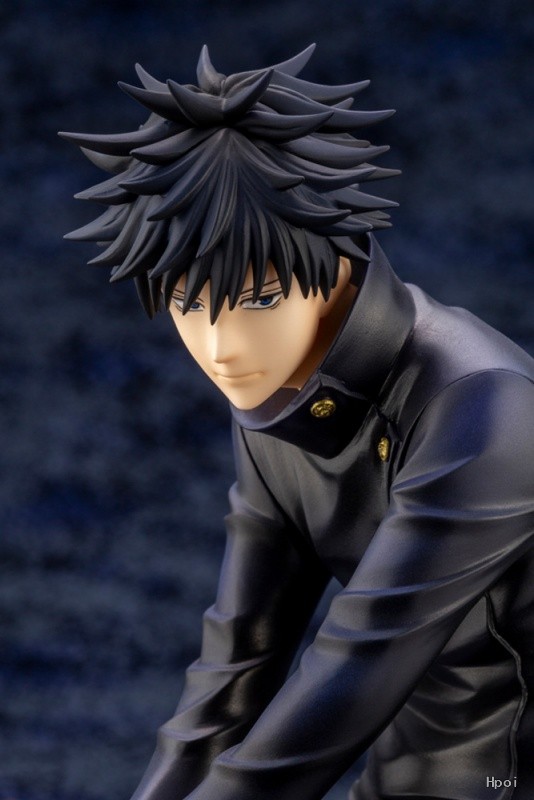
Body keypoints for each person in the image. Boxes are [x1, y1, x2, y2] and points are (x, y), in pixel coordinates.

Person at [60, 44, 534, 800]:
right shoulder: (275, 396)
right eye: (187, 303)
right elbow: (233, 672)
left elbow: (356, 664)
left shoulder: (485, 408)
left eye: (258, 299)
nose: (221, 348)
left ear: (338, 265)